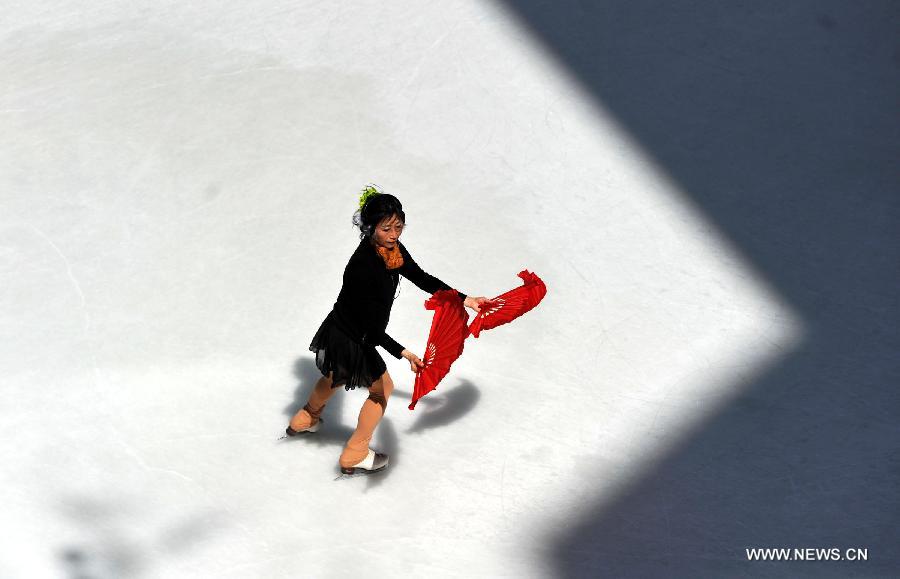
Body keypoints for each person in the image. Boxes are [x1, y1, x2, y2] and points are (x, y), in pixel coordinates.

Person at [286, 186, 487, 475]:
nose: (394, 234)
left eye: (398, 226)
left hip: (342, 327)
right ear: (370, 228)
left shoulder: (392, 250)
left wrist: (464, 299)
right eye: (386, 228)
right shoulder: (362, 267)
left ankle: (305, 418)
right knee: (382, 390)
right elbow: (373, 330)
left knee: (334, 375)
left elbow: (420, 276)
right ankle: (355, 452)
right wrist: (404, 353)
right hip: (356, 335)